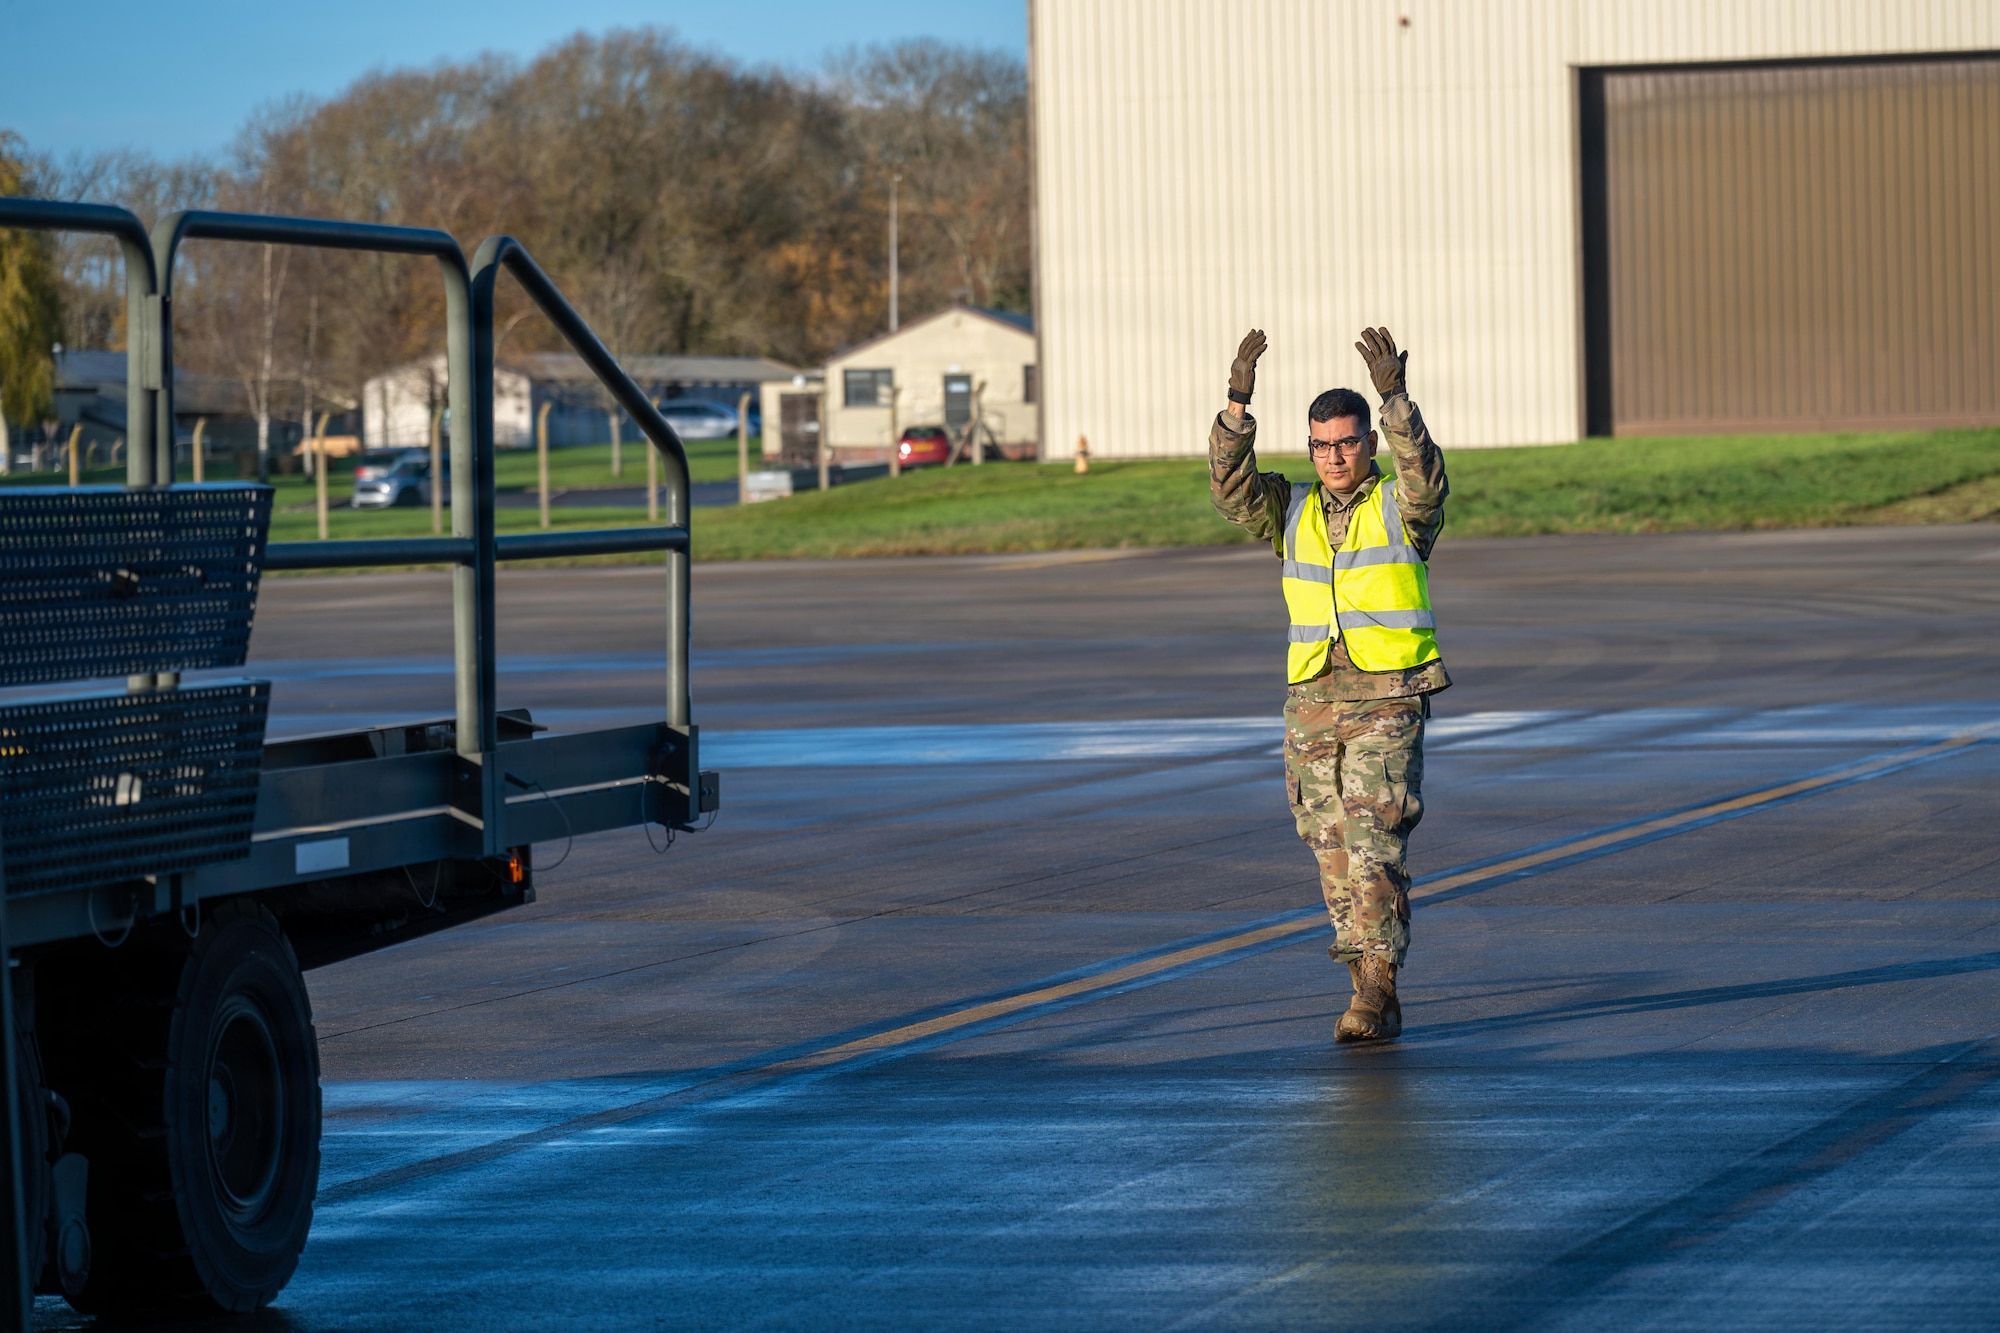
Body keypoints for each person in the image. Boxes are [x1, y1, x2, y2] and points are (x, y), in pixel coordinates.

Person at [1209, 327, 1449, 1043]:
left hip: (1385, 696)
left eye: (1346, 442)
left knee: (1375, 838)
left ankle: (1378, 983)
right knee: (1328, 842)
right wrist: (1236, 405)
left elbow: (1426, 477)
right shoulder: (1291, 508)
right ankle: (1362, 976)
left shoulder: (1400, 509)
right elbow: (1229, 493)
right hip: (1313, 699)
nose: (1334, 456)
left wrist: (1395, 398)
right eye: (1321, 445)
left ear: (1368, 444)